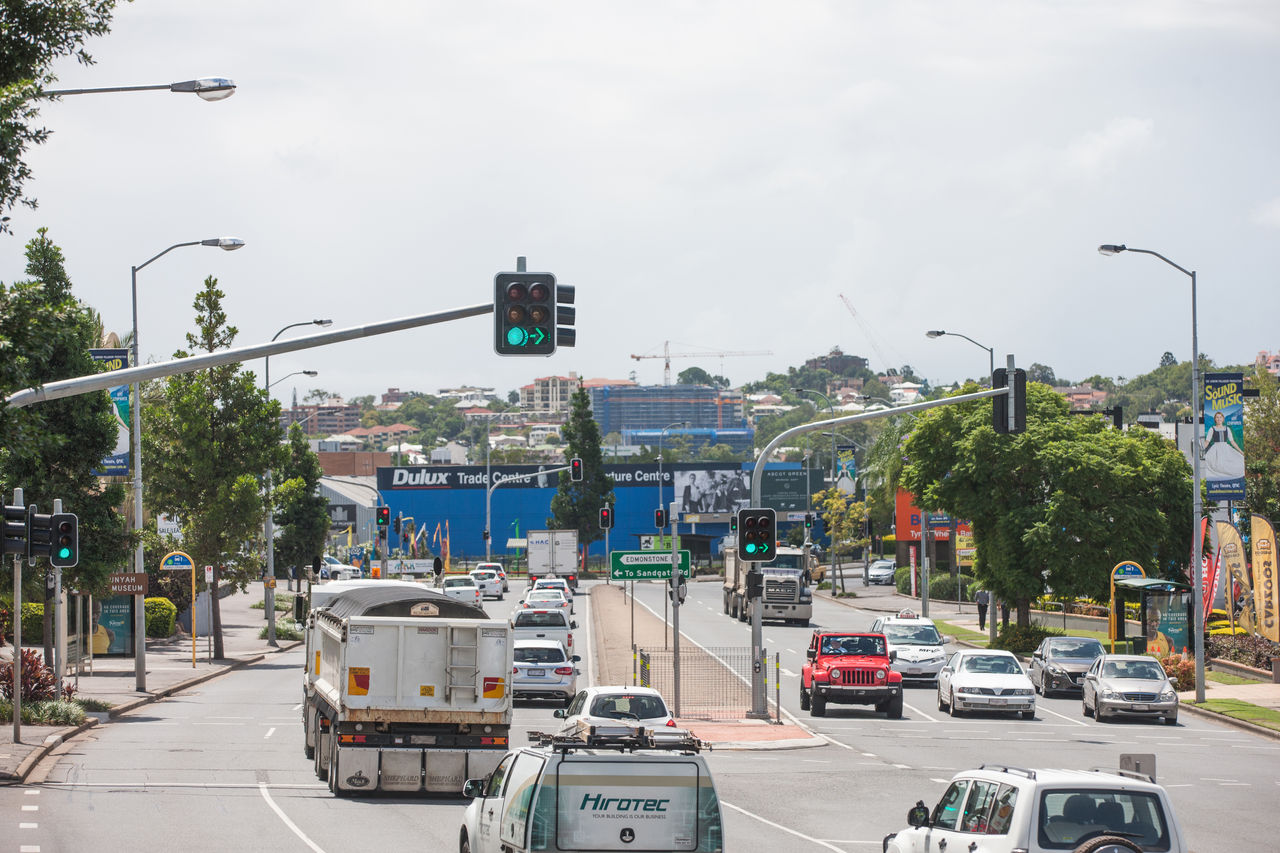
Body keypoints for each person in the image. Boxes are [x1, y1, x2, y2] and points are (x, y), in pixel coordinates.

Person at [1202, 410, 1245, 480]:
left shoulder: (1227, 429)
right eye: (1217, 417)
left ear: (1223, 419)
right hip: (1215, 449)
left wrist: (1241, 452)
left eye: (1220, 417)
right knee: (1216, 464)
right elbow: (1207, 441)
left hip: (1226, 448)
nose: (1219, 419)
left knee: (1235, 462)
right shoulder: (1212, 429)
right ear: (1215, 419)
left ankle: (1228, 480)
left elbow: (1232, 442)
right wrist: (1201, 450)